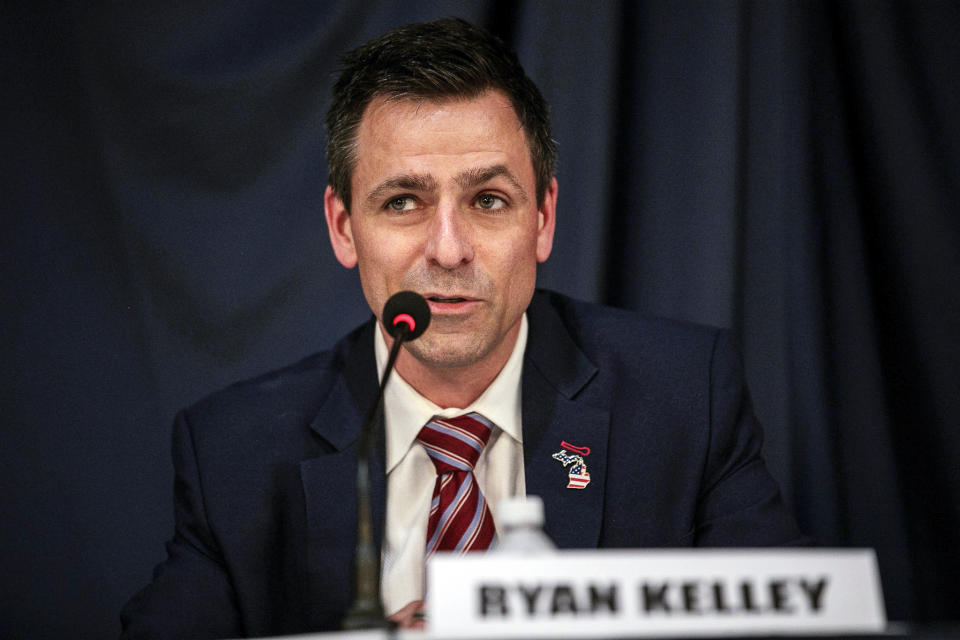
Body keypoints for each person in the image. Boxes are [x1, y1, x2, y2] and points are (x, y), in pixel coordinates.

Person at [120, 18, 807, 639]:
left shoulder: (684, 400)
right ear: (342, 227)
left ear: (542, 218)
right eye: (403, 202)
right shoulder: (237, 455)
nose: (448, 250)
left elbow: (790, 626)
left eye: (488, 199)